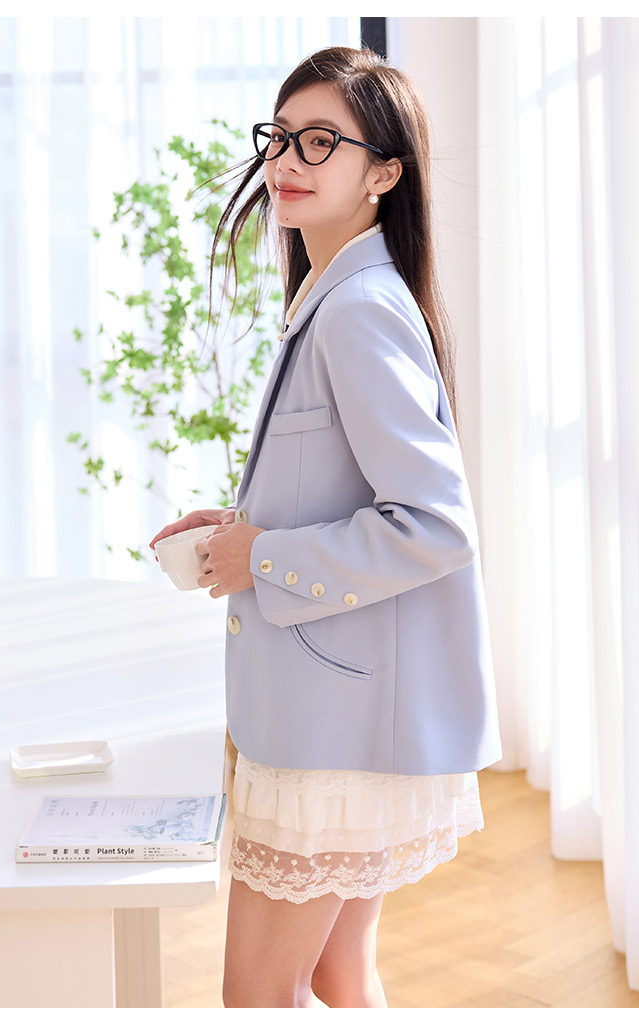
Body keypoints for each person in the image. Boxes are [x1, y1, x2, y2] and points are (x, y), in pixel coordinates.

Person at [149, 45, 502, 1009]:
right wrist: (244, 526)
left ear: (383, 173)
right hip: (339, 712)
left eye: (320, 141)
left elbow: (434, 524)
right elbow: (351, 490)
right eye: (280, 137)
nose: (286, 160)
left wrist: (260, 556)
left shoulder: (357, 311)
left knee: (258, 997)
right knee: (342, 975)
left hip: (332, 732)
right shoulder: (339, 295)